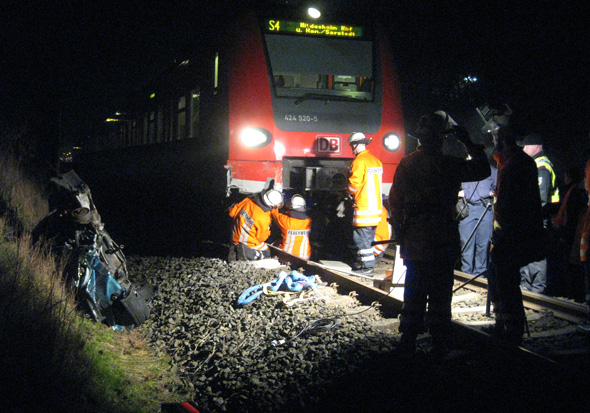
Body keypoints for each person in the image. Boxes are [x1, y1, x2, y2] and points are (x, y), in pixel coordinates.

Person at [388, 111, 490, 356]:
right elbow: (483, 169)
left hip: (416, 237)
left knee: (414, 289)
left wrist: (399, 230)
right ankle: (439, 342)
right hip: (443, 237)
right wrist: (467, 142)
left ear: (419, 139)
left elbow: (395, 200)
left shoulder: (407, 163)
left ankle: (408, 339)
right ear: (442, 139)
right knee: (441, 293)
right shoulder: (450, 164)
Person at [486, 126, 545, 345]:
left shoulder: (514, 166)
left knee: (506, 281)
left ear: (504, 141)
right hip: (515, 233)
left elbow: (508, 206)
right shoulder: (518, 162)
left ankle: (511, 328)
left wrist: (502, 233)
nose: (493, 142)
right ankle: (504, 323)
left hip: (512, 235)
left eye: (496, 139)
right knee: (499, 277)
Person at [520, 133, 560, 294]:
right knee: (528, 253)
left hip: (537, 219)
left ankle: (536, 290)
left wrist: (531, 218)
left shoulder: (542, 166)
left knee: (536, 255)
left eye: (525, 146)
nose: (523, 149)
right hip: (532, 218)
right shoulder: (534, 164)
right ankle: (527, 288)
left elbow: (541, 197)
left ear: (536, 146)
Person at [346, 132, 383, 275]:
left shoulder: (359, 162)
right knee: (368, 239)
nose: (352, 149)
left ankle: (367, 267)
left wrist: (346, 191)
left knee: (361, 240)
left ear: (355, 145)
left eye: (351, 146)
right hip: (375, 209)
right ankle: (366, 264)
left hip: (364, 208)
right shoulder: (376, 161)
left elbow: (354, 185)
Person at [551, 166, 587, 300]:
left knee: (572, 265)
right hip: (572, 233)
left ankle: (574, 294)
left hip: (571, 235)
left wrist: (564, 235)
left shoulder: (573, 193)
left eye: (566, 176)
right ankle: (574, 294)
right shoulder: (575, 192)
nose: (564, 178)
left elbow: (571, 216)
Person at [458, 159, 497, 277]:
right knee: (466, 243)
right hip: (467, 209)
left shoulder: (492, 171)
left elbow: (496, 189)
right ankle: (466, 274)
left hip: (485, 209)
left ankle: (479, 275)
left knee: (483, 244)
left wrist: (490, 193)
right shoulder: (463, 169)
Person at [228, 189, 283, 261]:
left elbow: (232, 213)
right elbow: (261, 238)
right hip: (247, 243)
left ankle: (235, 248)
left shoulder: (248, 201)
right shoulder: (264, 217)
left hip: (234, 237)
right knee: (266, 251)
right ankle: (248, 253)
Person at [270, 194, 312, 260]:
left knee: (275, 243)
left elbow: (274, 214)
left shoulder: (286, 221)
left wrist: (276, 206)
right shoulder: (308, 221)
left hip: (287, 255)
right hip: (305, 256)